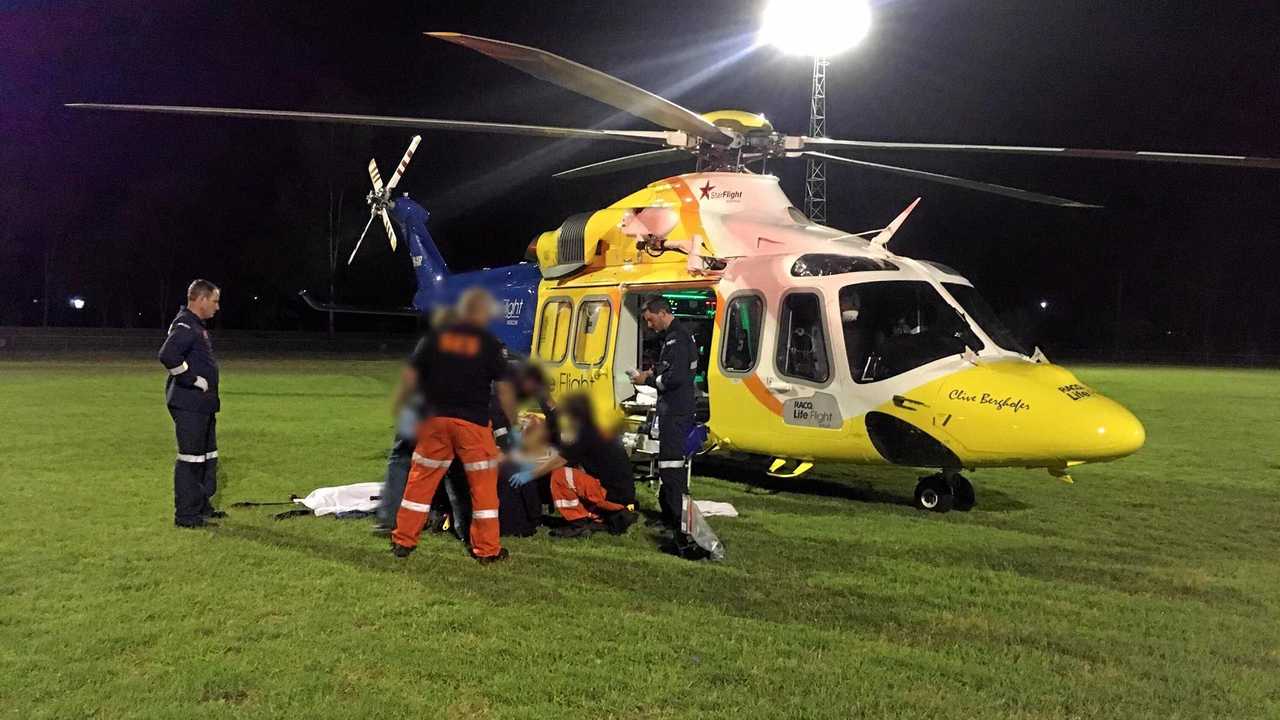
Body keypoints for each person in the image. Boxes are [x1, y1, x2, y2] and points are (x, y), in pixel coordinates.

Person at [391, 288, 517, 563]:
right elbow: (504, 391)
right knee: (483, 490)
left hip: (435, 422)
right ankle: (486, 550)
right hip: (472, 424)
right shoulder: (490, 344)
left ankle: (403, 540)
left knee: (419, 484)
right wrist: (511, 426)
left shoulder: (433, 340)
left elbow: (411, 379)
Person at [509, 394, 638, 538]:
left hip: (613, 496)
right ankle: (596, 516)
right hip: (622, 494)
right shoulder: (597, 429)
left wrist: (530, 474)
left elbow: (561, 459)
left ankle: (577, 523)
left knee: (561, 475)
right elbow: (556, 415)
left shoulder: (585, 434)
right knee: (573, 472)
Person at [627, 296, 699, 553]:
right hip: (677, 412)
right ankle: (674, 520)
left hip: (675, 413)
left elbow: (673, 378)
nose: (649, 326)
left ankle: (683, 532)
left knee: (671, 470)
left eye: (649, 320)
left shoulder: (675, 339)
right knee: (671, 469)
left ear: (662, 313)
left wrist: (647, 379)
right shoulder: (680, 336)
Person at [157, 279, 223, 528]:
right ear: (201, 299)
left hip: (203, 405)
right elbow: (167, 354)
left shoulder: (196, 325)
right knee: (191, 459)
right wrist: (191, 379)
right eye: (215, 301)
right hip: (189, 404)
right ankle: (186, 516)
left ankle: (202, 506)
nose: (217, 307)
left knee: (207, 456)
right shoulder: (186, 324)